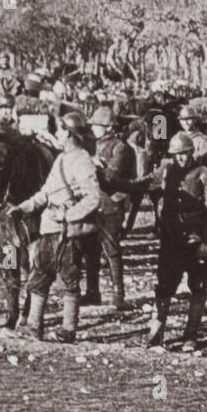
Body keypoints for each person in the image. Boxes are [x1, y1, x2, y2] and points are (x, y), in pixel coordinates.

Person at [10, 113, 101, 343]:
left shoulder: (82, 160)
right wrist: (24, 208)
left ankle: (68, 330)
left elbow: (93, 197)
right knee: (39, 275)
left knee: (69, 279)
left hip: (67, 231)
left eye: (59, 130)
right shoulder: (62, 158)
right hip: (49, 228)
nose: (56, 135)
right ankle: (33, 327)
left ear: (69, 133)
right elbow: (45, 194)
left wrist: (67, 215)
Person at [142, 132, 207, 351]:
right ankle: (157, 333)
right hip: (171, 241)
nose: (180, 158)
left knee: (198, 287)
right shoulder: (167, 171)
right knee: (164, 286)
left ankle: (191, 336)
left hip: (196, 241)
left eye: (184, 154)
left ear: (191, 152)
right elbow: (142, 183)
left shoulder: (204, 175)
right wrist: (106, 180)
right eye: (176, 154)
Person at [84, 105, 133, 312]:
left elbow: (112, 177)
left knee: (111, 249)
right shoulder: (90, 144)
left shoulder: (120, 147)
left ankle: (118, 295)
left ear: (109, 127)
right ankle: (92, 292)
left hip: (110, 204)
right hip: (91, 203)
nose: (93, 128)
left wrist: (93, 165)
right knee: (90, 250)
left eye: (97, 125)